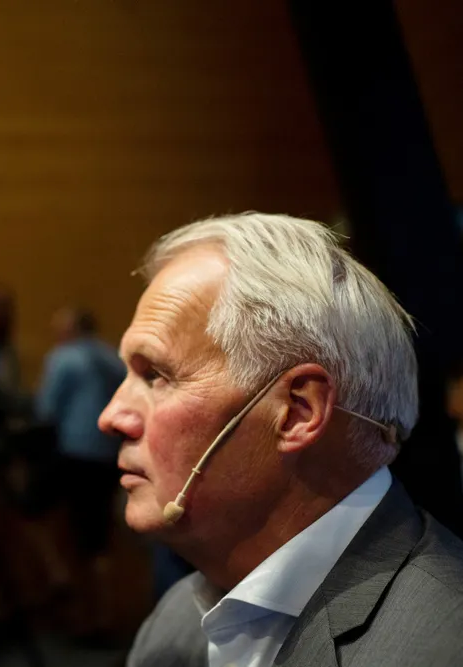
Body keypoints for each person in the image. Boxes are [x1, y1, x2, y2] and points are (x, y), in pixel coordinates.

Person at [98, 213, 463, 666]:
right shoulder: (176, 619)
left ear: (297, 412)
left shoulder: (445, 641)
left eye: (156, 375)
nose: (111, 417)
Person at [35, 306, 125, 638]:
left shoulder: (64, 357)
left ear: (71, 329)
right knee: (100, 539)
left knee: (47, 519)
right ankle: (106, 617)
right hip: (108, 455)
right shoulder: (112, 358)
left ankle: (74, 601)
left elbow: (46, 409)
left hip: (73, 454)